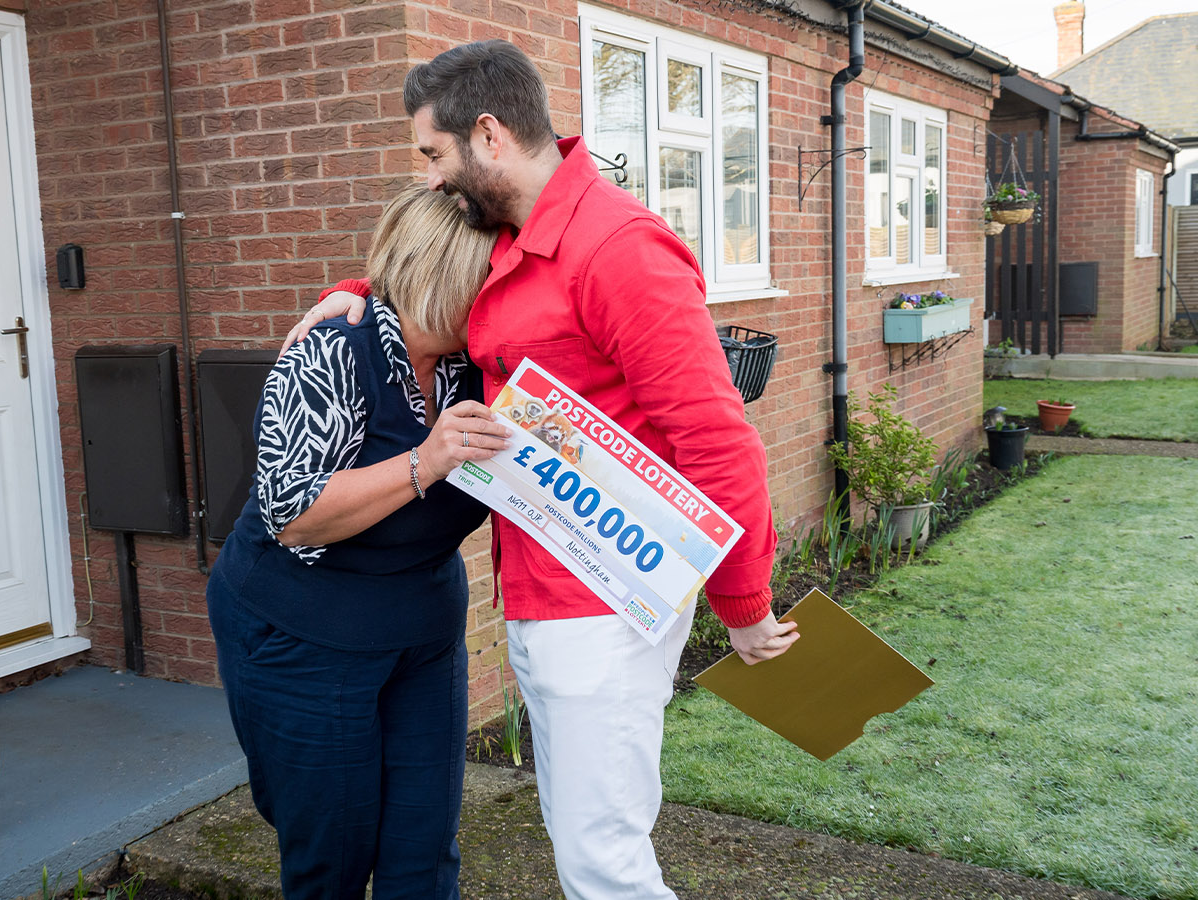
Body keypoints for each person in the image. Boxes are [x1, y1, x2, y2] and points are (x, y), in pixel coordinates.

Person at [286, 40, 799, 900]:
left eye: (434, 153)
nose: (431, 177)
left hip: (606, 598)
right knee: (578, 834)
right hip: (537, 586)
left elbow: (716, 435)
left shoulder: (620, 249)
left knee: (603, 857)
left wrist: (741, 601)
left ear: (487, 134)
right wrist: (361, 291)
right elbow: (440, 278)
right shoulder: (512, 233)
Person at [206, 184, 511, 900]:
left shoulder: (480, 364)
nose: (506, 293)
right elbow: (294, 513)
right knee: (332, 858)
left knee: (423, 851)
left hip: (421, 631)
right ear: (448, 277)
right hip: (301, 634)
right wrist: (424, 461)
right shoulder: (333, 349)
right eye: (492, 277)